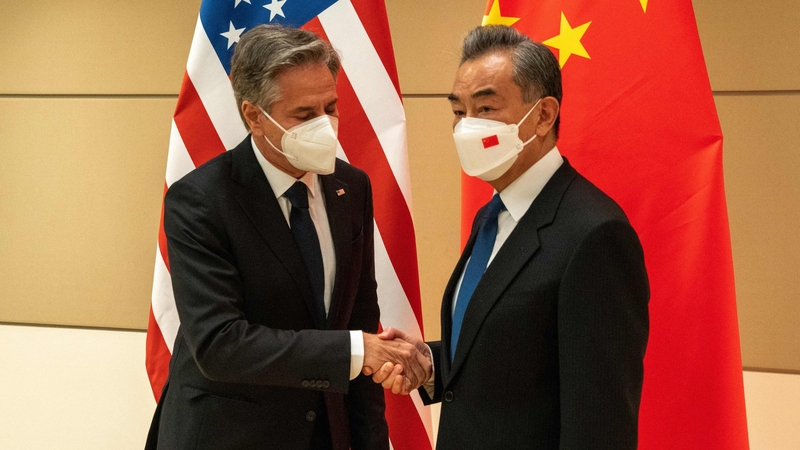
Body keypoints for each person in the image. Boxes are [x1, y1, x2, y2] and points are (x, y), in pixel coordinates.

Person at [145, 24, 430, 450]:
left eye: (331, 107)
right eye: (304, 114)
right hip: (229, 435)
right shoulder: (202, 200)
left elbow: (358, 322)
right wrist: (355, 351)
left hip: (324, 434)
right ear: (254, 116)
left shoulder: (351, 188)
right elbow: (220, 343)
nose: (325, 125)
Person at [372, 25, 650, 449]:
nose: (466, 126)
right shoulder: (492, 215)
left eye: (485, 108)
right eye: (459, 111)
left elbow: (600, 420)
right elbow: (515, 352)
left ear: (543, 115)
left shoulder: (595, 235)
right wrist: (430, 363)